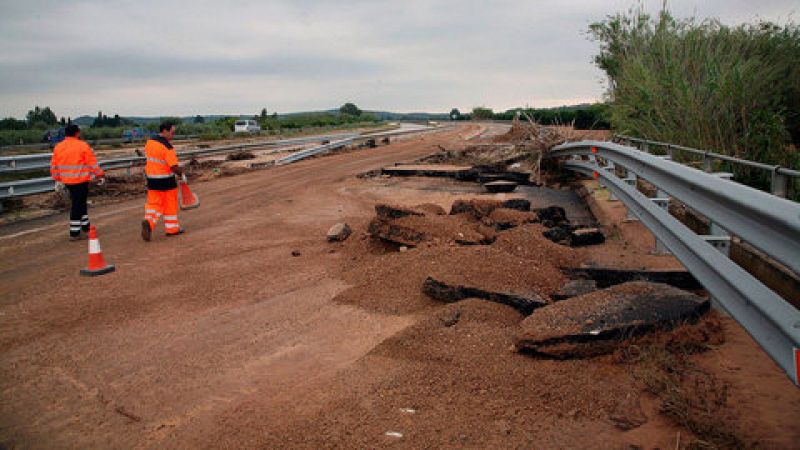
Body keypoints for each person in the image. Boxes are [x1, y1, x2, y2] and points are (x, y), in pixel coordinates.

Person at [50, 124, 105, 240]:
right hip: (80, 180)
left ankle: (86, 226)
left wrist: (57, 179)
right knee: (77, 204)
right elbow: (92, 163)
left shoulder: (58, 147)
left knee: (80, 203)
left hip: (67, 181)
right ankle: (74, 232)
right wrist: (99, 174)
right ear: (77, 133)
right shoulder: (82, 146)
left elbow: (54, 165)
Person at [141, 121, 184, 241]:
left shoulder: (150, 142)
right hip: (167, 181)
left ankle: (148, 222)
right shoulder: (167, 147)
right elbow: (174, 167)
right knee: (170, 205)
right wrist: (182, 173)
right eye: (172, 132)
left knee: (154, 205)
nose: (173, 135)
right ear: (165, 131)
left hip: (152, 180)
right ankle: (172, 229)